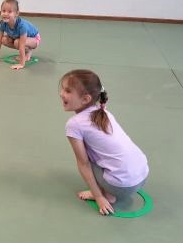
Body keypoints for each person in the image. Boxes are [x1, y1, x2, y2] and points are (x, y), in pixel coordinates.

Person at [60, 69, 149, 215]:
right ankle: (110, 189)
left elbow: (83, 164)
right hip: (142, 176)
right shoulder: (103, 111)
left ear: (86, 99)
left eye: (68, 91)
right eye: (63, 89)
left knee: (85, 156)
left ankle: (107, 194)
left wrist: (98, 197)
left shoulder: (74, 124)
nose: (61, 93)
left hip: (121, 186)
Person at [0, 0, 41, 70]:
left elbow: (21, 45)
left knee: (17, 43)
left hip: (34, 39)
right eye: (3, 11)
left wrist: (21, 64)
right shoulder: (2, 24)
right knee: (4, 40)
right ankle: (27, 51)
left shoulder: (22, 26)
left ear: (16, 14)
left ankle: (28, 51)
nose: (5, 14)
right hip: (18, 38)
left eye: (9, 12)